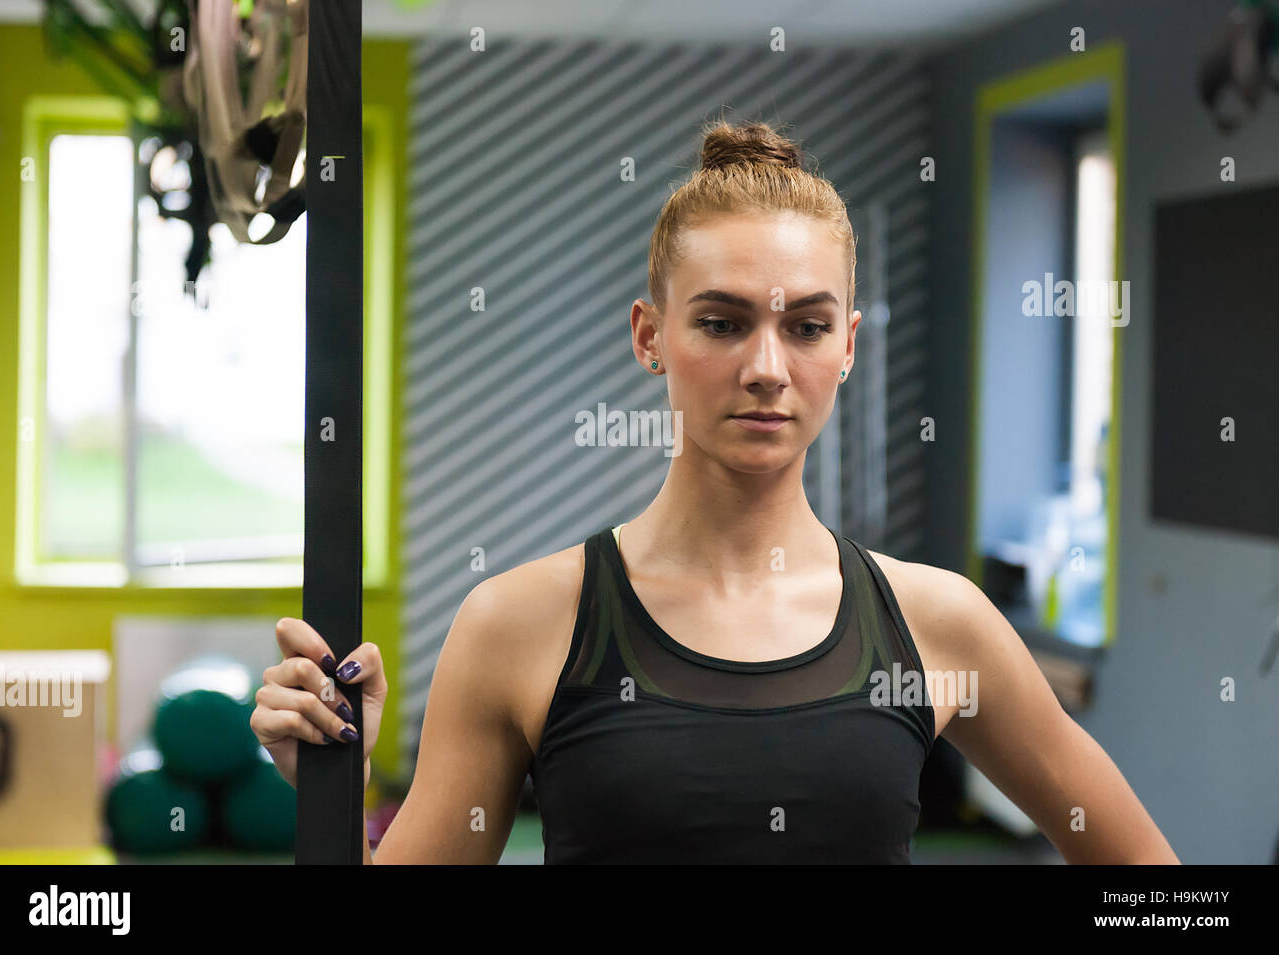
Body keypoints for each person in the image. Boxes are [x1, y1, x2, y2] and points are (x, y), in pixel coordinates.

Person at [252, 119, 1179, 864]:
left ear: (849, 345)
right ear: (649, 335)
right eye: (724, 322)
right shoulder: (518, 624)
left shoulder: (938, 623)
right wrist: (338, 791)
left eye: (807, 326)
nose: (768, 368)